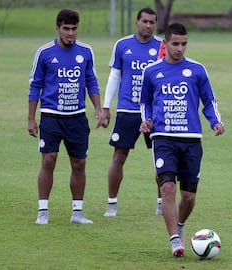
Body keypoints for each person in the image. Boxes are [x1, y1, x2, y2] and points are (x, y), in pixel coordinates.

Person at [139, 22, 225, 257]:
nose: (179, 48)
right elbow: (145, 102)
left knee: (188, 197)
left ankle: (180, 224)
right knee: (167, 187)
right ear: (165, 44)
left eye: (183, 44)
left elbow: (209, 100)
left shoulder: (197, 70)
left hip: (191, 139)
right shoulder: (152, 71)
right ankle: (175, 240)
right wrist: (146, 120)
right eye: (175, 44)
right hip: (163, 138)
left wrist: (215, 121)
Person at [28, 9, 103, 225]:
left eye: (74, 29)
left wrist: (98, 108)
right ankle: (43, 210)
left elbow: (92, 81)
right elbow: (35, 86)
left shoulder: (86, 51)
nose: (70, 33)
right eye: (66, 29)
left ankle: (77, 212)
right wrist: (31, 119)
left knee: (79, 163)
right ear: (58, 28)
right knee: (49, 159)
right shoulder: (44, 52)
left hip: (77, 117)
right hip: (51, 116)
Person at [100, 8, 164, 217]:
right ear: (137, 22)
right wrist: (106, 106)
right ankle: (112, 204)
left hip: (154, 112)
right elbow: (115, 76)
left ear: (155, 24)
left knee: (161, 157)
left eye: (151, 22)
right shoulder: (122, 45)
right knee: (119, 155)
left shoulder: (163, 46)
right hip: (128, 109)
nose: (147, 25)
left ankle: (162, 203)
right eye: (144, 21)